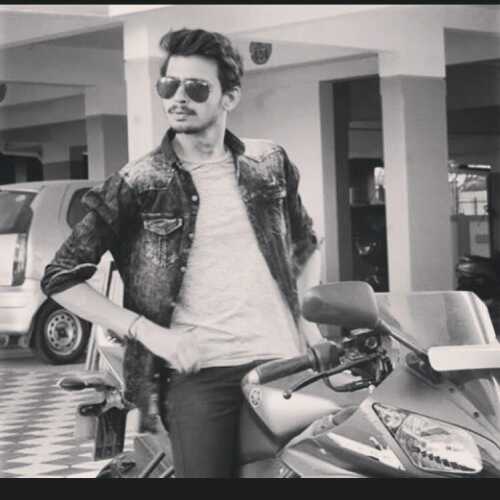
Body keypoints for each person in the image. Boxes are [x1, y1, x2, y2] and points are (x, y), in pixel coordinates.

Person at [41, 28, 322, 478]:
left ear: (229, 97)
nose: (179, 98)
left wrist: (306, 324)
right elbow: (60, 276)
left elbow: (304, 243)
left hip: (285, 366)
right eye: (169, 86)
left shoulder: (269, 163)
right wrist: (150, 334)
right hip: (202, 376)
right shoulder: (139, 182)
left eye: (196, 88)